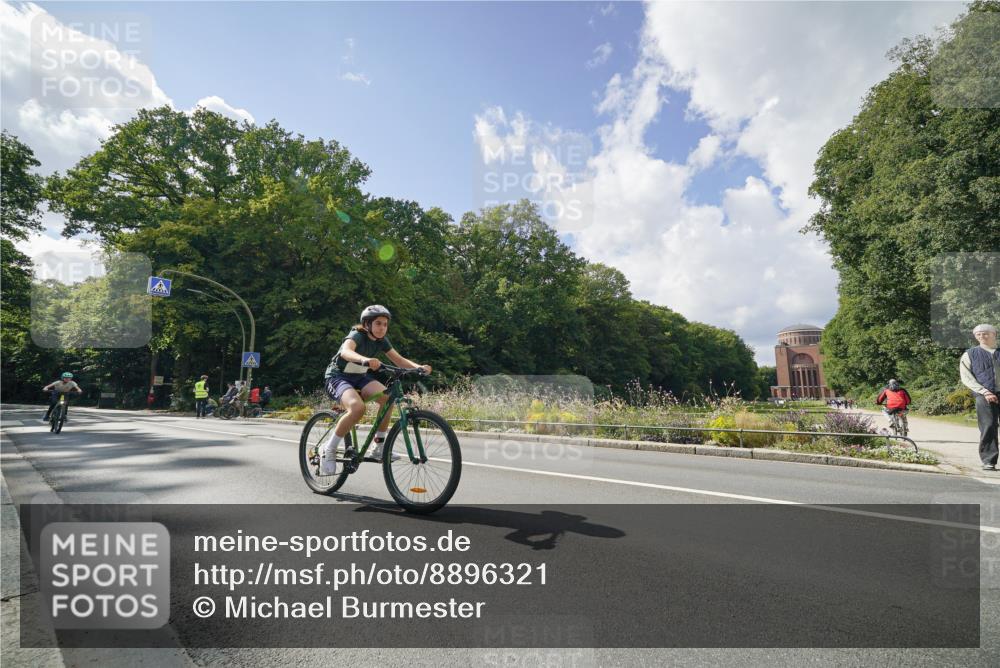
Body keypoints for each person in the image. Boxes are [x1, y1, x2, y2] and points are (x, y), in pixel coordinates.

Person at [319, 305, 431, 474]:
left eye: (385, 324)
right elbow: (345, 352)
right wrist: (365, 360)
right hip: (338, 377)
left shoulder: (381, 341)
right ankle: (329, 448)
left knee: (387, 398)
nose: (382, 328)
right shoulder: (357, 334)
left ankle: (378, 446)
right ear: (367, 324)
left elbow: (399, 360)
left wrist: (419, 367)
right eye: (378, 323)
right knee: (357, 408)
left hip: (359, 377)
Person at [959, 324, 1000, 471]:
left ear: (994, 334)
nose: (982, 336)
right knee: (988, 426)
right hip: (984, 395)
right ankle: (989, 460)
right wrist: (984, 391)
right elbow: (967, 377)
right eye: (978, 334)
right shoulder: (970, 354)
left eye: (985, 333)